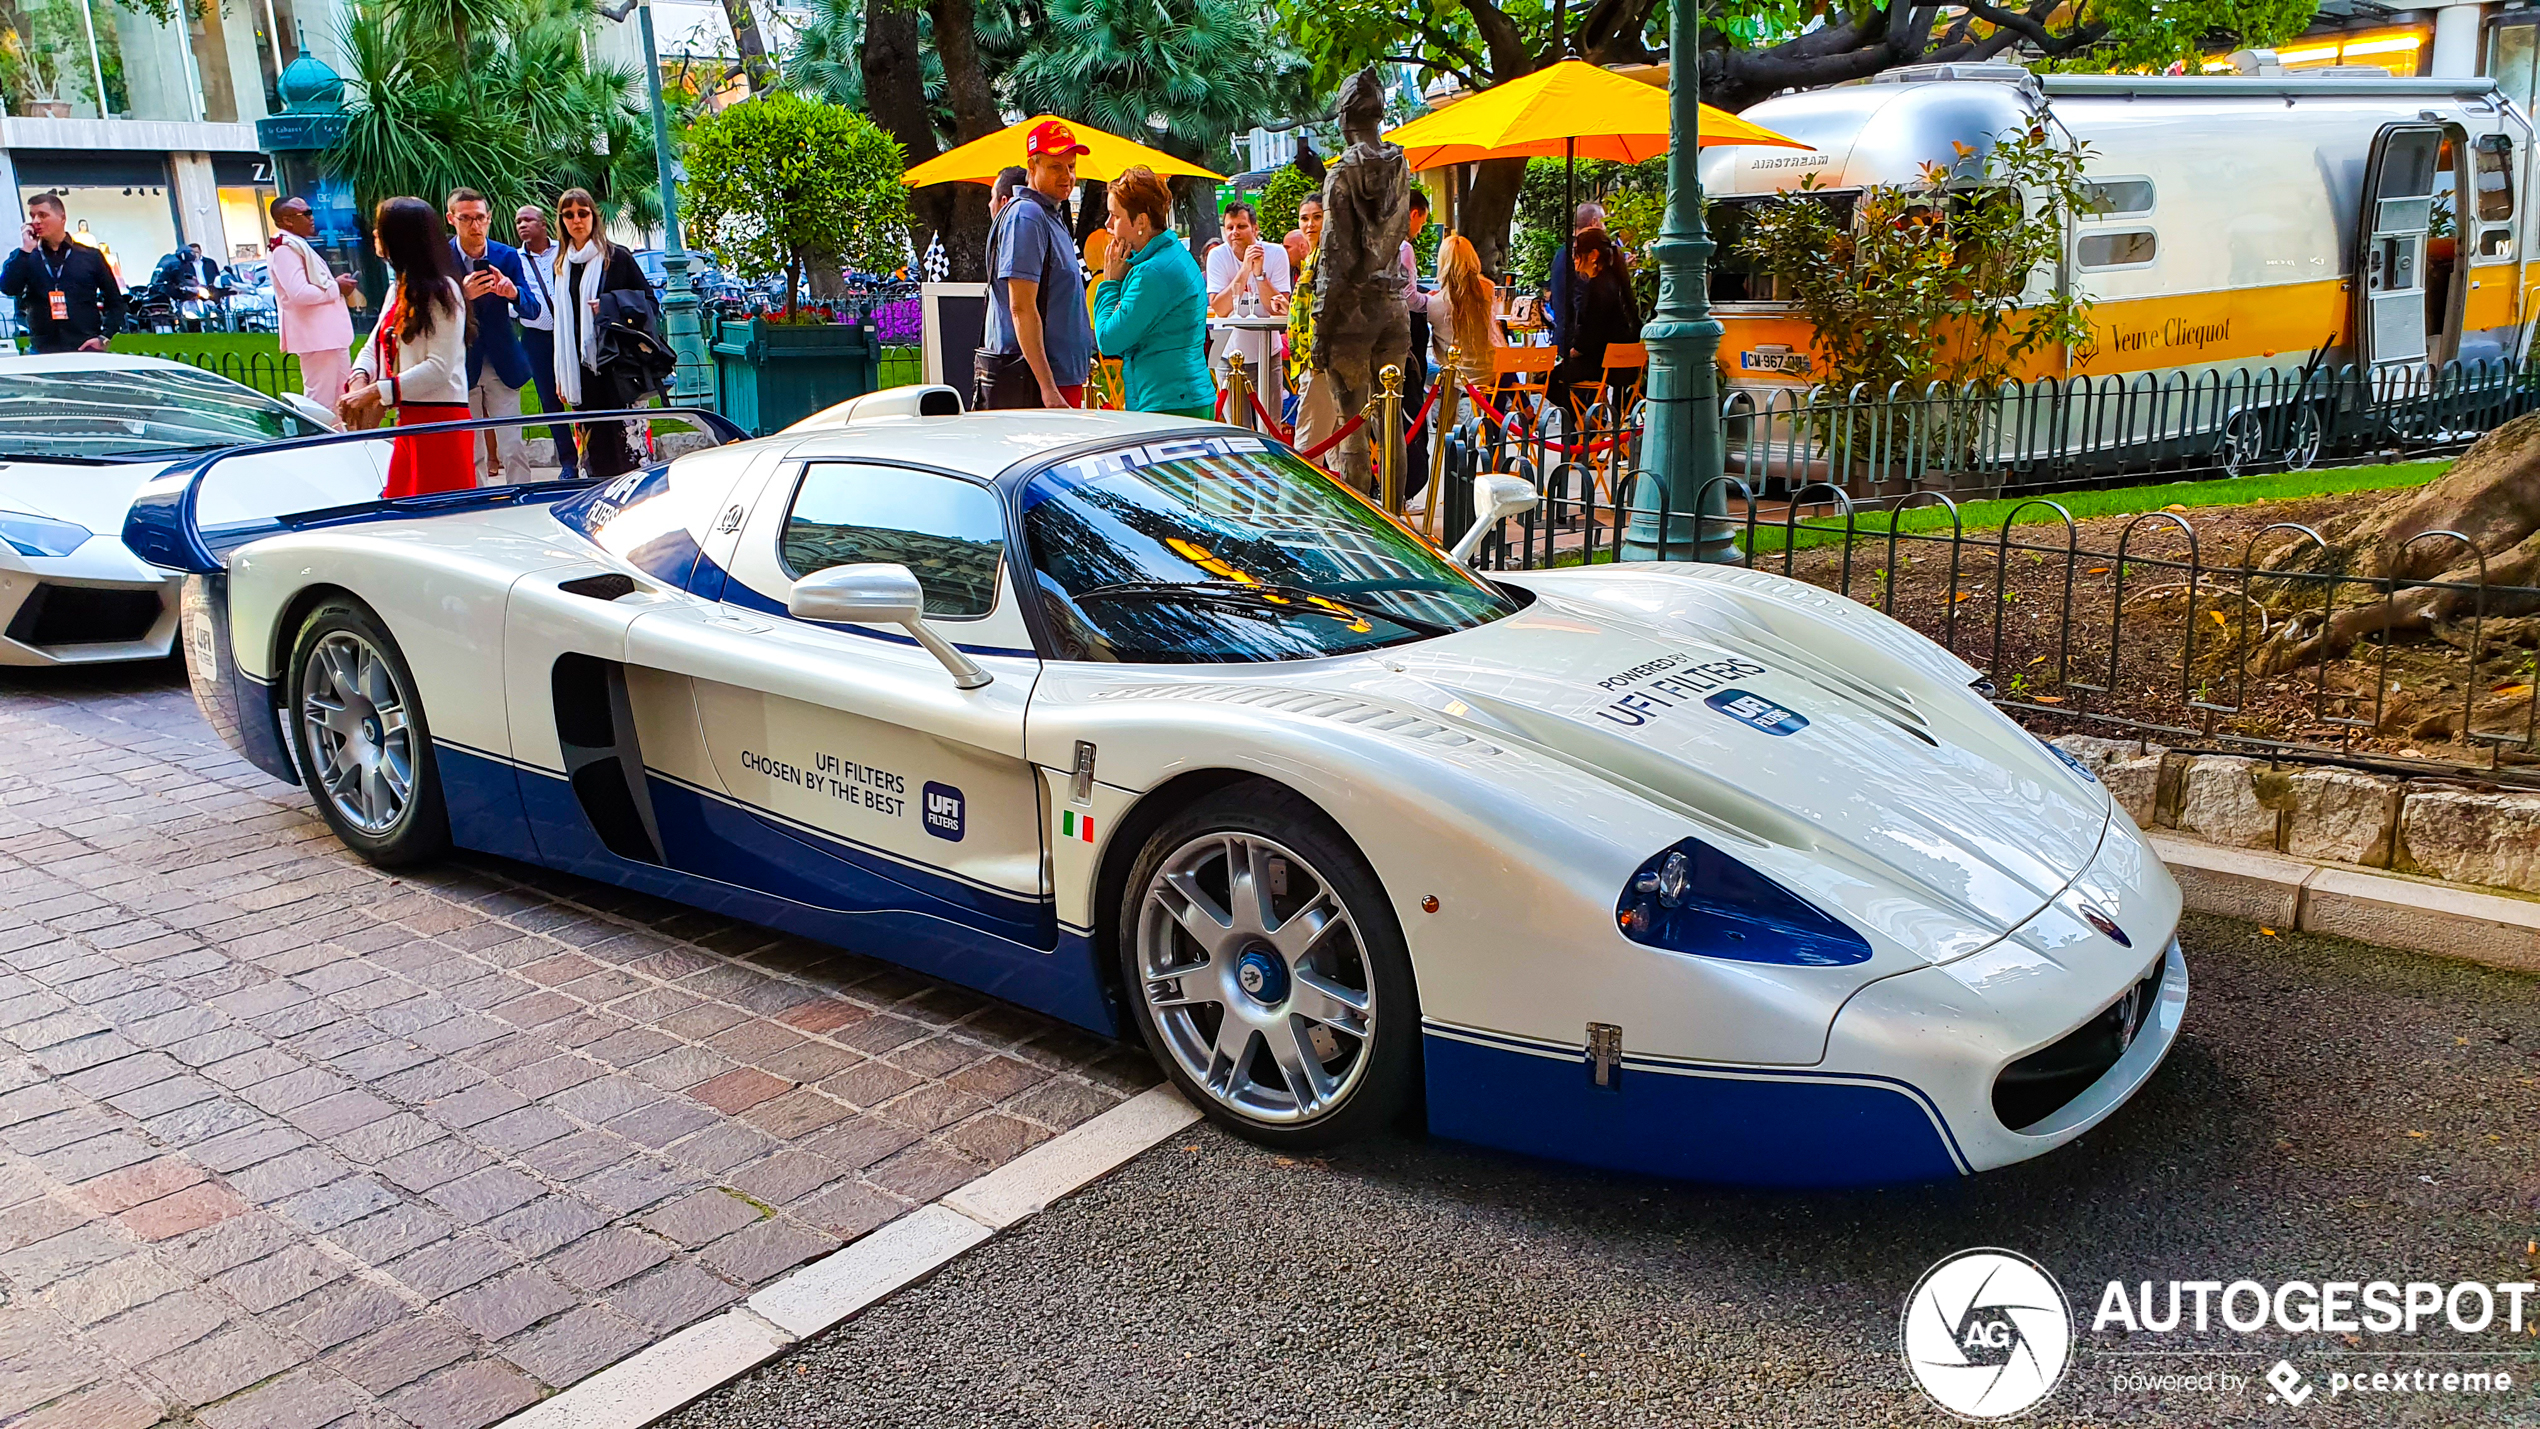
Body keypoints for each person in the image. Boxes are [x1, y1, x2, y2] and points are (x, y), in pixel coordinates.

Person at [340, 197, 474, 499]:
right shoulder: (397, 287)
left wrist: (375, 392)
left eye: (380, 228)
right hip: (410, 422)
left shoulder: (443, 289)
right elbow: (374, 344)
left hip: (440, 426)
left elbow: (439, 368)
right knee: (400, 509)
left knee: (440, 520)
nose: (374, 234)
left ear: (400, 236)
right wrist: (359, 379)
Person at [976, 120, 1093, 409]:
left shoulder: (1047, 213)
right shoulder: (1027, 216)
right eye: (1056, 167)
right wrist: (1048, 388)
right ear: (1033, 166)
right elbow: (1021, 308)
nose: (1067, 176)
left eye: (1071, 166)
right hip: (1035, 385)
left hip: (1055, 380)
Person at [547, 188, 657, 480]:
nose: (576, 220)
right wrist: (561, 374)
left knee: (627, 447)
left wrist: (609, 307)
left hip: (618, 367)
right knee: (594, 448)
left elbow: (648, 303)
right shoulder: (562, 264)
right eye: (568, 215)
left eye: (582, 213)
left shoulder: (616, 257)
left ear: (593, 217)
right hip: (581, 370)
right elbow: (562, 323)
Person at [1092, 166, 1212, 419]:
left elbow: (1108, 339)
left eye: (1115, 216)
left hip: (1169, 401)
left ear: (1141, 222)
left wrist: (1110, 283)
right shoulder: (1170, 255)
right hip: (1177, 395)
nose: (1107, 224)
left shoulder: (1152, 273)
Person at [445, 187, 542, 485]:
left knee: (512, 442)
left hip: (502, 359)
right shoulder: (443, 256)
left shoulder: (507, 255)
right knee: (471, 445)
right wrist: (462, 295)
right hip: (462, 360)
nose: (475, 226)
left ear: (489, 218)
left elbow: (533, 308)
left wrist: (512, 292)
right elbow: (433, 312)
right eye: (466, 219)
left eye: (480, 218)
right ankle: (477, 497)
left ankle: (521, 496)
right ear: (451, 219)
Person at [267, 194, 358, 422]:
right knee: (320, 401)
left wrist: (334, 285)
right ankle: (320, 445)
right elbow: (298, 293)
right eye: (305, 214)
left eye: (311, 212)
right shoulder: (283, 248)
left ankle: (342, 442)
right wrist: (336, 288)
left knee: (340, 398)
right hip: (316, 337)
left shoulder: (295, 244)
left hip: (329, 336)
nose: (311, 218)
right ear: (287, 220)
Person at [0, 194, 124, 353]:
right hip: (43, 349)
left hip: (85, 346)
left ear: (62, 218)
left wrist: (104, 336)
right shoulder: (26, 256)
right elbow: (8, 288)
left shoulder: (90, 256)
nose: (36, 221)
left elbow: (115, 301)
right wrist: (25, 250)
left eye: (43, 215)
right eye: (32, 216)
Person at [1205, 199, 1290, 413]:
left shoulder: (1277, 253)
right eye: (1229, 228)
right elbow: (1220, 308)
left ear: (1255, 228)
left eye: (1241, 226)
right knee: (1237, 428)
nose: (1234, 233)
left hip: (1267, 350)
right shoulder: (1217, 255)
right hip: (1225, 349)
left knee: (1270, 424)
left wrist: (1259, 275)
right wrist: (1244, 270)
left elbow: (1278, 308)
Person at [512, 201, 572, 480]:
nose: (522, 225)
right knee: (549, 399)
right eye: (518, 222)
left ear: (543, 224)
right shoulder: (514, 260)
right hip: (536, 336)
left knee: (580, 393)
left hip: (570, 333)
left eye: (527, 220)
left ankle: (591, 451)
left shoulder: (564, 251)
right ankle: (568, 460)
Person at [1549, 227, 1639, 404]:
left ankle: (1582, 424)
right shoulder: (1618, 281)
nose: (1573, 259)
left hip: (1601, 364)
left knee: (1549, 379)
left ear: (1593, 255)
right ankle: (1588, 423)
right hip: (1625, 363)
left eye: (1576, 253)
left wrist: (1574, 351)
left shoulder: (1596, 287)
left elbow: (1591, 332)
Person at [1429, 233, 1504, 391]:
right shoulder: (1488, 289)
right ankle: (1522, 406)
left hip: (1457, 375)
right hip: (1491, 370)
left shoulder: (1434, 304)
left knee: (1422, 367)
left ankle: (1444, 412)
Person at [1545, 201, 1605, 353]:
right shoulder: (1581, 254)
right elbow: (1581, 300)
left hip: (1565, 338)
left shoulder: (1562, 253)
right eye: (1604, 223)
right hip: (1577, 347)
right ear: (1595, 222)